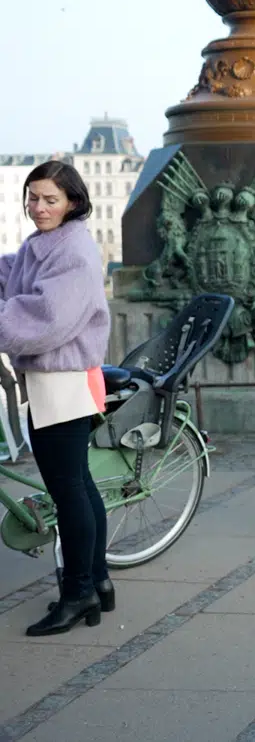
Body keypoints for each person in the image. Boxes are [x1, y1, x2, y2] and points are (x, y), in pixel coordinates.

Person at [0, 161, 112, 636]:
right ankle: (100, 582)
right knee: (79, 485)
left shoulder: (73, 251)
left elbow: (47, 317)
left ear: (72, 202)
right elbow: (12, 273)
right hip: (61, 381)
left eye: (50, 199)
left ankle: (78, 591)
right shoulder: (46, 243)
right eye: (33, 197)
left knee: (68, 491)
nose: (39, 207)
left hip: (62, 383)